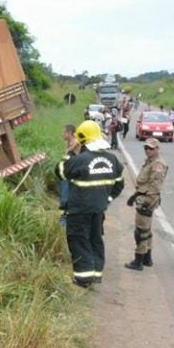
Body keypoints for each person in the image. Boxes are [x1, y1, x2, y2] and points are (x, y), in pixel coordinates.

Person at [55, 120, 125, 287]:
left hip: (79, 210)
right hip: (98, 210)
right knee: (95, 239)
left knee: (79, 240)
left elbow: (60, 172)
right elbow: (119, 184)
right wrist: (106, 200)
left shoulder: (80, 160)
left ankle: (84, 278)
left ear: (82, 139)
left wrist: (69, 153)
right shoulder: (112, 160)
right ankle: (96, 274)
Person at [125, 138, 168, 271]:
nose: (147, 150)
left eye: (151, 148)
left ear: (157, 149)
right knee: (147, 229)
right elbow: (145, 183)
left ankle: (138, 260)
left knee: (141, 231)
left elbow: (155, 186)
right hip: (143, 196)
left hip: (148, 199)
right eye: (146, 148)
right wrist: (135, 195)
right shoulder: (149, 162)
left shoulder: (157, 164)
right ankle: (147, 258)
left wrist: (147, 202)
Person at [59, 124, 80, 226]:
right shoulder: (69, 145)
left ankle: (65, 222)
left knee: (65, 200)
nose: (63, 134)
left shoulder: (76, 145)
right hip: (66, 176)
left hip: (71, 177)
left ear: (70, 133)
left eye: (64, 132)